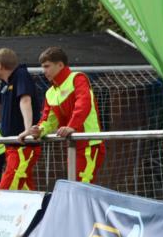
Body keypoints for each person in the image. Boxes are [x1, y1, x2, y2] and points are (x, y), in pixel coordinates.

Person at [19, 47, 105, 184]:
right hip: (73, 144)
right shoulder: (50, 92)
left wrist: (72, 126)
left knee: (81, 188)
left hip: (89, 144)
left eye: (47, 66)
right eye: (43, 67)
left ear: (60, 65)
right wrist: (37, 130)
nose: (44, 71)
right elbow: (48, 120)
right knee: (77, 187)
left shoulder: (78, 78)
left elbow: (84, 104)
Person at [0, 48, 43, 191]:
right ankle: (40, 212)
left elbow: (25, 100)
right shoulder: (5, 82)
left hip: (22, 147)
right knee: (26, 189)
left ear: (0, 66)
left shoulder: (21, 75)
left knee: (5, 190)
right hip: (11, 146)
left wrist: (28, 129)